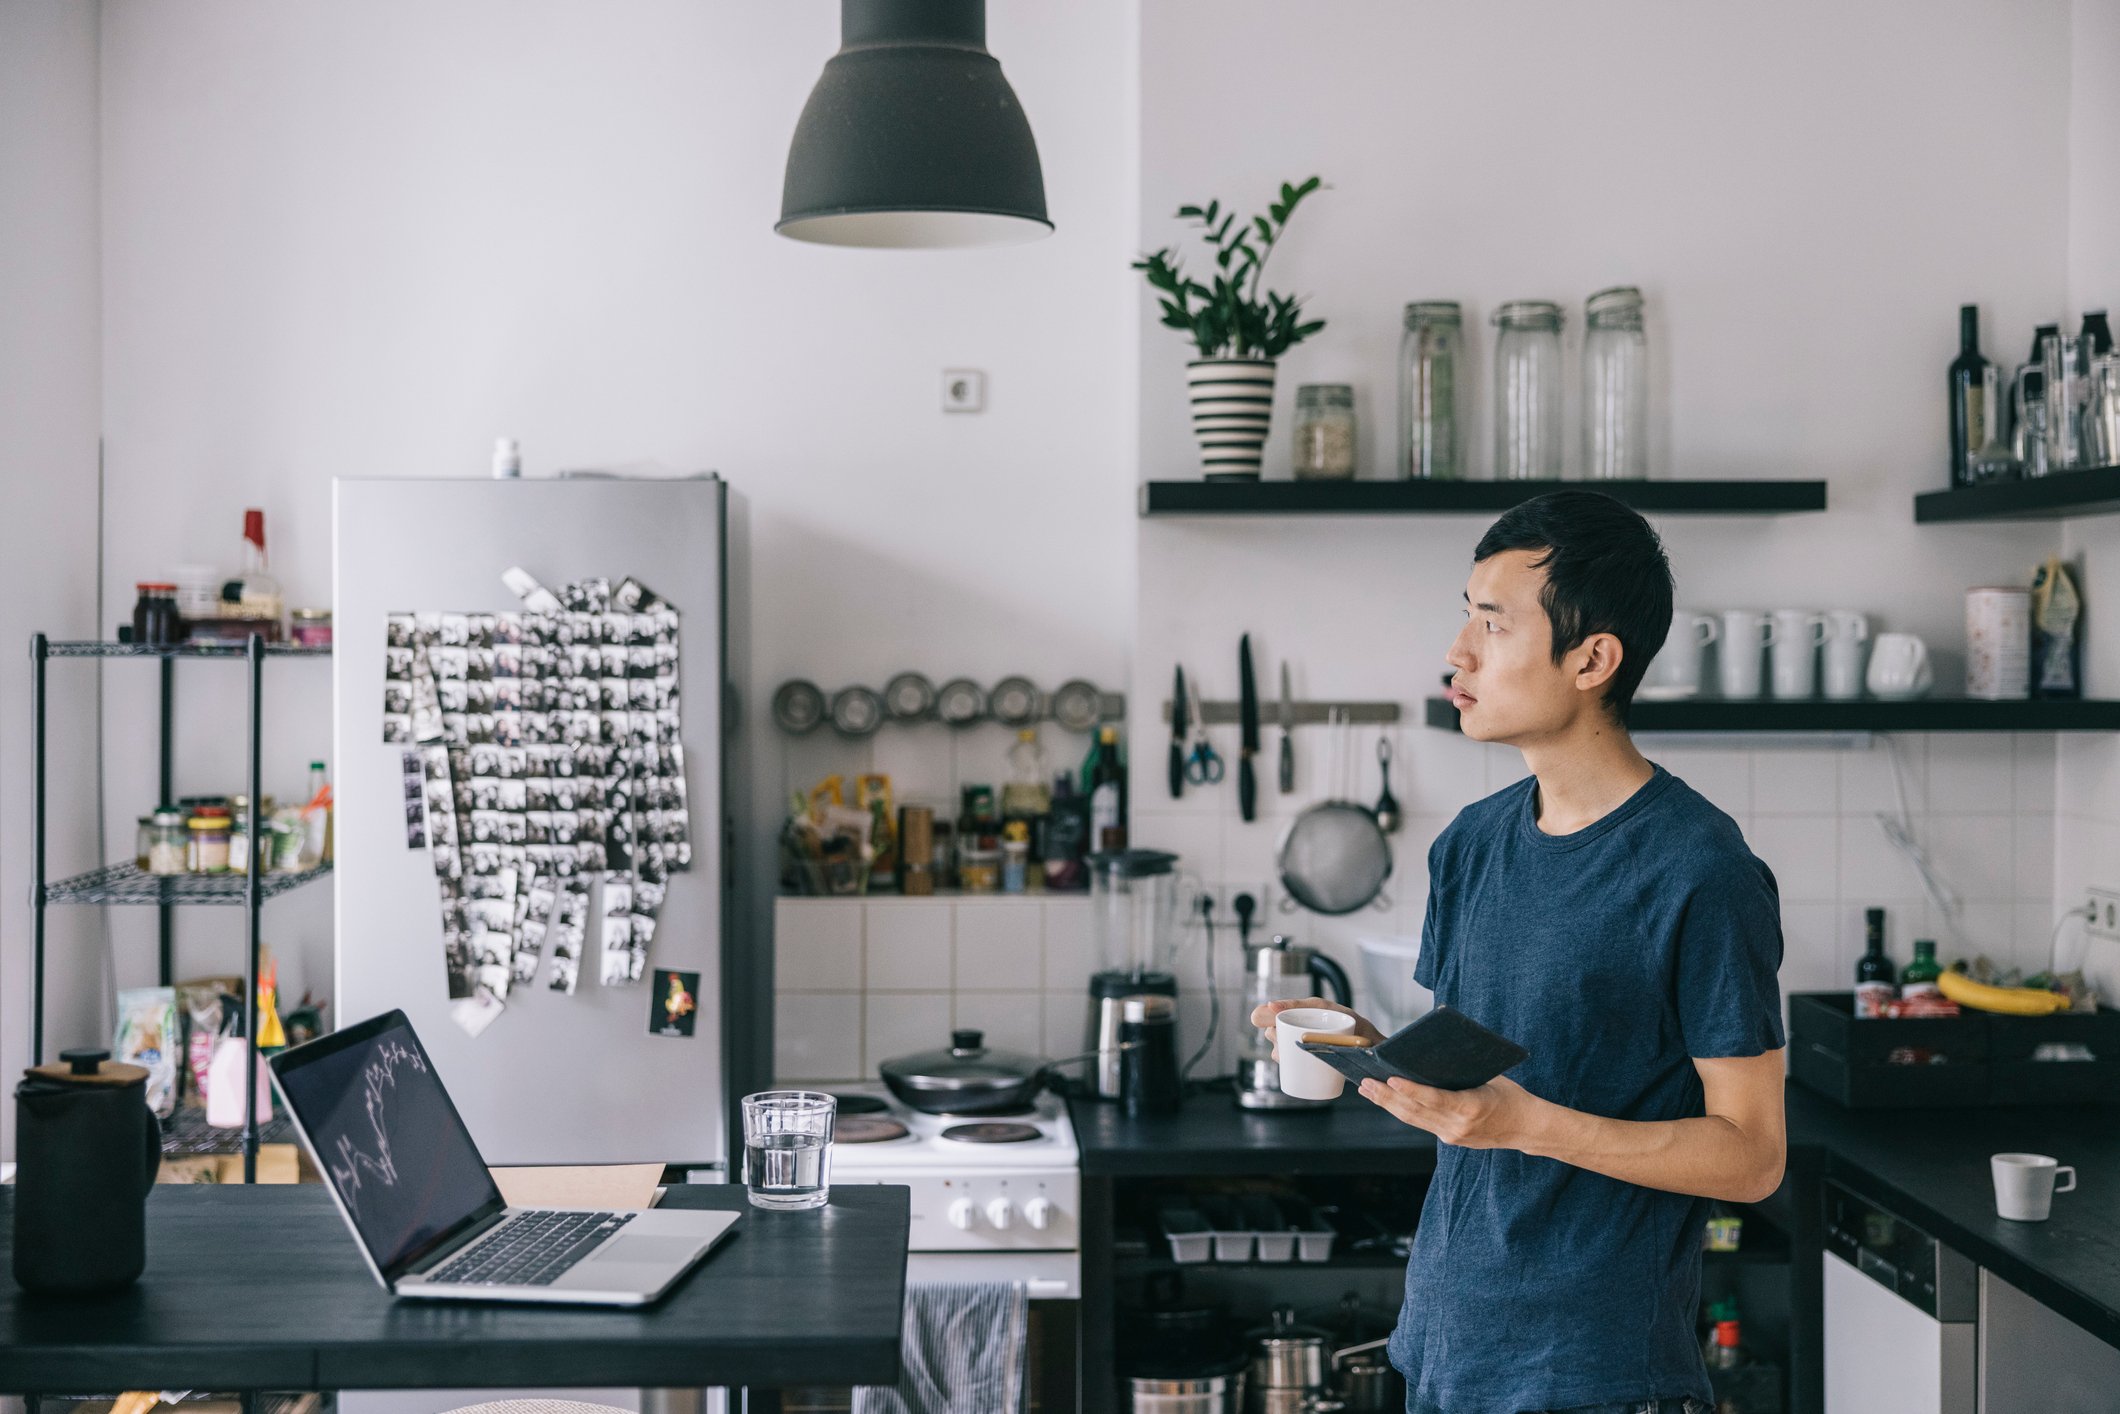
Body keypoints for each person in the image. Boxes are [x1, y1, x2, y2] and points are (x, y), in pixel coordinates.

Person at [1254, 491, 1786, 1414]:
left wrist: (1525, 1125)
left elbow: (1752, 1157)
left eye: (1492, 626)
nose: (1457, 653)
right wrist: (1361, 1047)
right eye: (1464, 616)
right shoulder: (1472, 841)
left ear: (1592, 658)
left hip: (1599, 1376)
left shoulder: (1701, 868)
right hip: (1447, 1349)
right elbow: (1478, 1075)